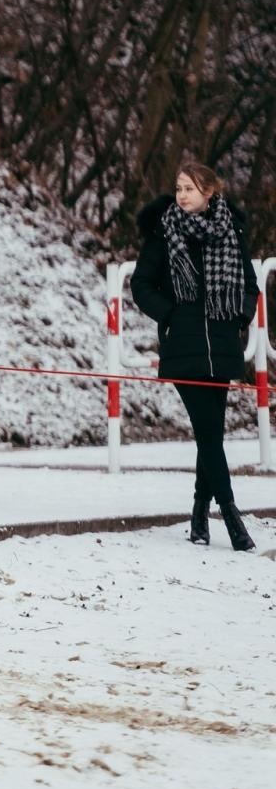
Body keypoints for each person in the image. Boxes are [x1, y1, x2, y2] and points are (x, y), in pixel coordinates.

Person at [131, 162, 259, 551]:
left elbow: (250, 284)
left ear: (209, 192)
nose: (182, 194)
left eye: (189, 188)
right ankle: (232, 514)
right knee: (208, 430)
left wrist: (240, 315)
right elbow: (141, 284)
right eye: (179, 187)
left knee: (211, 434)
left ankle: (200, 511)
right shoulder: (163, 231)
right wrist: (172, 314)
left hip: (221, 344)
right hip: (183, 346)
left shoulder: (231, 232)